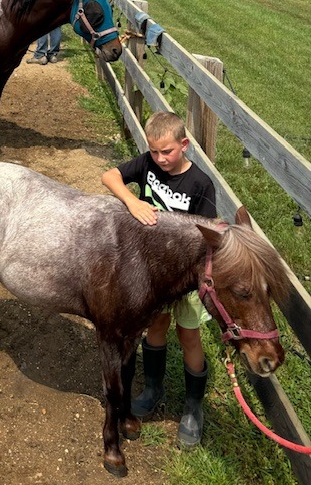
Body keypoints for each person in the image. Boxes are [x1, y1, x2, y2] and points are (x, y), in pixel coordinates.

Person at [101, 111, 216, 448]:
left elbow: (205, 236)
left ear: (184, 144)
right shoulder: (147, 165)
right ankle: (153, 388)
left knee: (190, 335)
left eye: (167, 151)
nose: (161, 159)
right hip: (153, 276)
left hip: (186, 276)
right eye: (154, 152)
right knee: (155, 328)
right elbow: (109, 176)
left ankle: (194, 407)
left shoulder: (200, 184)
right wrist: (131, 200)